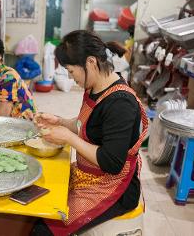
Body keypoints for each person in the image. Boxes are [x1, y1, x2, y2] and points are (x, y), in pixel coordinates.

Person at [32, 30, 148, 235]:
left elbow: (112, 162)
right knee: (40, 197)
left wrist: (69, 138)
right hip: (90, 174)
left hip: (113, 186)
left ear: (91, 62)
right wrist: (59, 121)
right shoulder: (94, 86)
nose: (70, 77)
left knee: (44, 228)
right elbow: (86, 128)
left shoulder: (120, 103)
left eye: (71, 71)